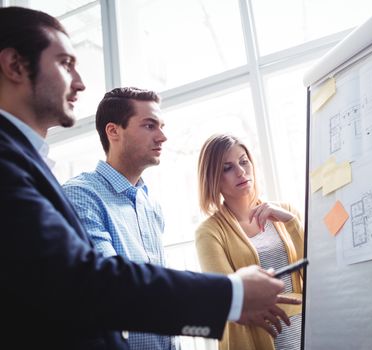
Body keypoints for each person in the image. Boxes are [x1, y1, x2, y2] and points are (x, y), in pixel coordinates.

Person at [0, 6, 297, 349]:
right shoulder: (77, 192)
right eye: (65, 64)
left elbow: (147, 311)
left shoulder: (148, 203)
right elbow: (92, 289)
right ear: (15, 65)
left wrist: (220, 315)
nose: (79, 82)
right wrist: (230, 295)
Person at [62, 87, 179, 350]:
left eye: (161, 126)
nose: (162, 136)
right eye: (150, 126)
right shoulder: (81, 195)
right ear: (113, 131)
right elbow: (112, 285)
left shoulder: (151, 204)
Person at [195, 134, 305, 350]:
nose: (240, 171)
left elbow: (316, 275)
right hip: (254, 341)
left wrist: (292, 223)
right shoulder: (208, 232)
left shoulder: (286, 212)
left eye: (243, 161)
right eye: (227, 167)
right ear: (213, 178)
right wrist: (291, 303)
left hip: (305, 334)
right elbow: (228, 298)